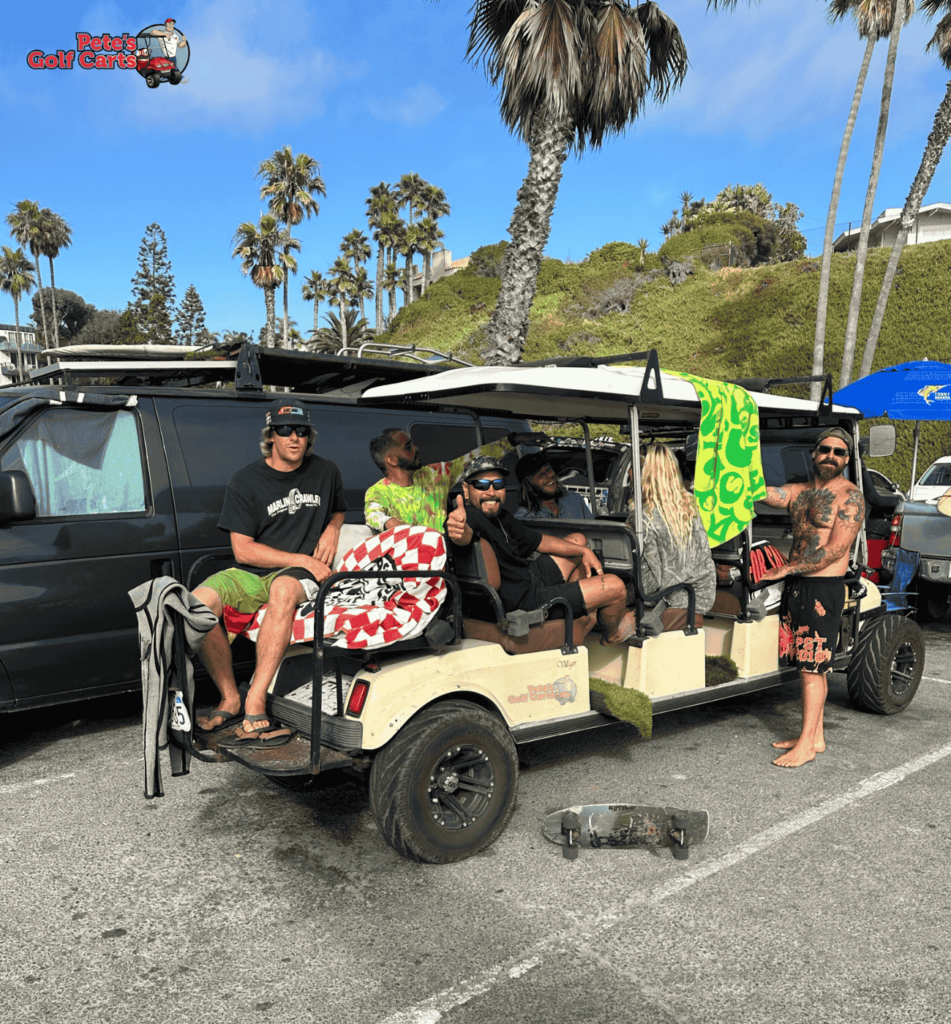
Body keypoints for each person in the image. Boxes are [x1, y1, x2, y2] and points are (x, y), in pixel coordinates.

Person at [192, 401, 347, 743]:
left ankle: (255, 698)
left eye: (302, 431)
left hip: (297, 574)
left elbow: (338, 510)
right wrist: (303, 558)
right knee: (196, 605)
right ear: (270, 436)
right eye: (285, 430)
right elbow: (242, 550)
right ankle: (230, 697)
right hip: (253, 571)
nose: (294, 437)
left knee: (282, 590)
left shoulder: (326, 471)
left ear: (309, 437)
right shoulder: (245, 480)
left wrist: (333, 529)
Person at [758, 427, 865, 768]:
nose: (831, 456)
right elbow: (767, 494)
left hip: (822, 587)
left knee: (812, 667)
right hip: (797, 586)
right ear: (814, 453)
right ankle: (815, 737)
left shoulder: (850, 497)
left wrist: (787, 568)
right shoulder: (800, 492)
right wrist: (734, 472)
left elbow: (836, 549)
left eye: (839, 452)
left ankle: (805, 745)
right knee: (805, 664)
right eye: (825, 449)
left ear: (846, 459)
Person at [445, 456, 637, 644]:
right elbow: (463, 535)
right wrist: (459, 532)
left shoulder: (502, 517)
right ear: (466, 490)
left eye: (498, 484)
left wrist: (583, 551)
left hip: (527, 579)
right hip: (524, 601)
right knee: (616, 586)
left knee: (578, 541)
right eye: (481, 485)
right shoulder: (468, 517)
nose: (491, 491)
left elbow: (538, 540)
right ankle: (612, 634)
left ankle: (578, 616)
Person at [364, 427, 545, 532]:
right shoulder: (378, 492)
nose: (416, 448)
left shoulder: (433, 474)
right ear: (392, 460)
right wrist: (389, 522)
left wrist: (513, 440)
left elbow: (472, 459)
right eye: (408, 447)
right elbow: (373, 515)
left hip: (446, 559)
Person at [632, 444, 716, 629]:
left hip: (671, 599)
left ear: (645, 474)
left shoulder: (645, 519)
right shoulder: (692, 505)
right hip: (701, 594)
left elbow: (649, 584)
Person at [514, 451, 594, 520]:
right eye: (540, 475)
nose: (549, 475)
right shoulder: (524, 518)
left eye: (548, 469)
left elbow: (592, 530)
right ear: (528, 484)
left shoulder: (575, 500)